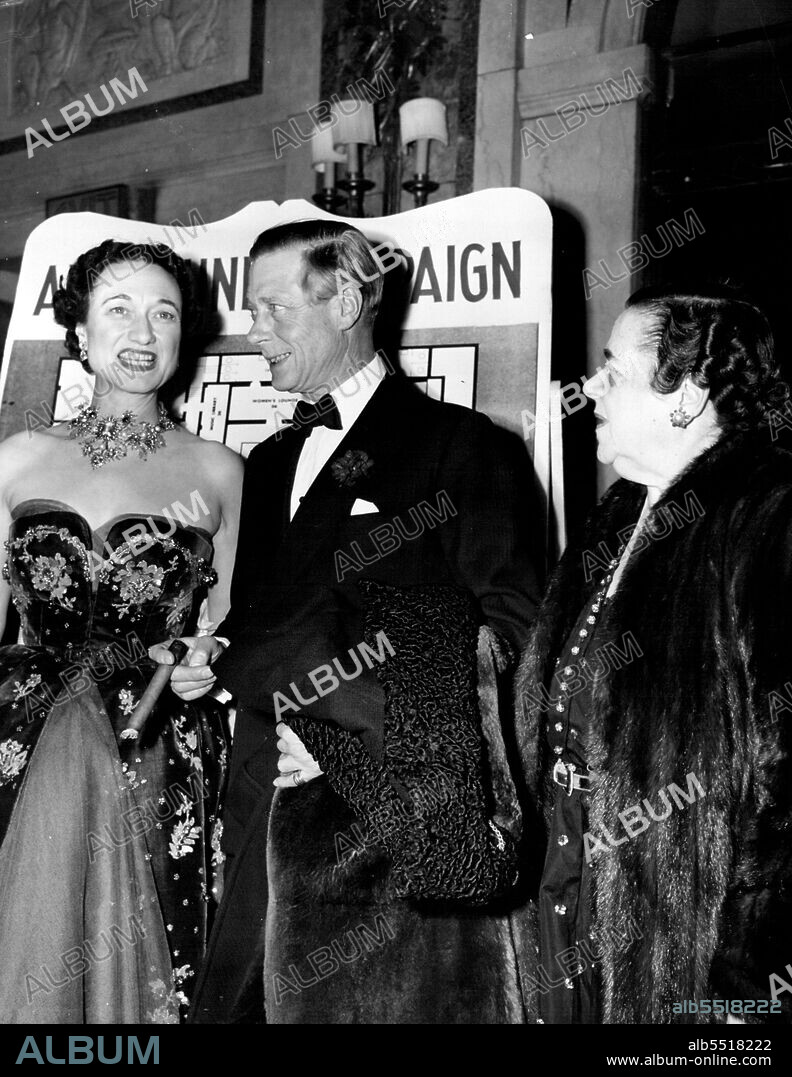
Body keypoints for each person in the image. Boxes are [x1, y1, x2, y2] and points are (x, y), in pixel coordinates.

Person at [153, 219, 540, 1023]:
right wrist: (214, 651)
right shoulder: (268, 463)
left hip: (383, 832)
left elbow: (508, 631)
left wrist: (345, 730)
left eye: (272, 309)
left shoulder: (463, 446)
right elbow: (267, 616)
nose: (252, 331)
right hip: (259, 804)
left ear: (347, 303)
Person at [515, 282, 792, 1024]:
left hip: (685, 930)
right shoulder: (617, 513)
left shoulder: (771, 514)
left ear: (687, 397)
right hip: (569, 884)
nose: (590, 388)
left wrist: (749, 973)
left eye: (613, 369)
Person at [0, 239, 242, 1022]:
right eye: (119, 309)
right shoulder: (16, 458)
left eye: (164, 314)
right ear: (79, 330)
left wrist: (210, 654)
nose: (143, 332)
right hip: (20, 735)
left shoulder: (219, 469)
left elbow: (233, 626)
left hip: (159, 741)